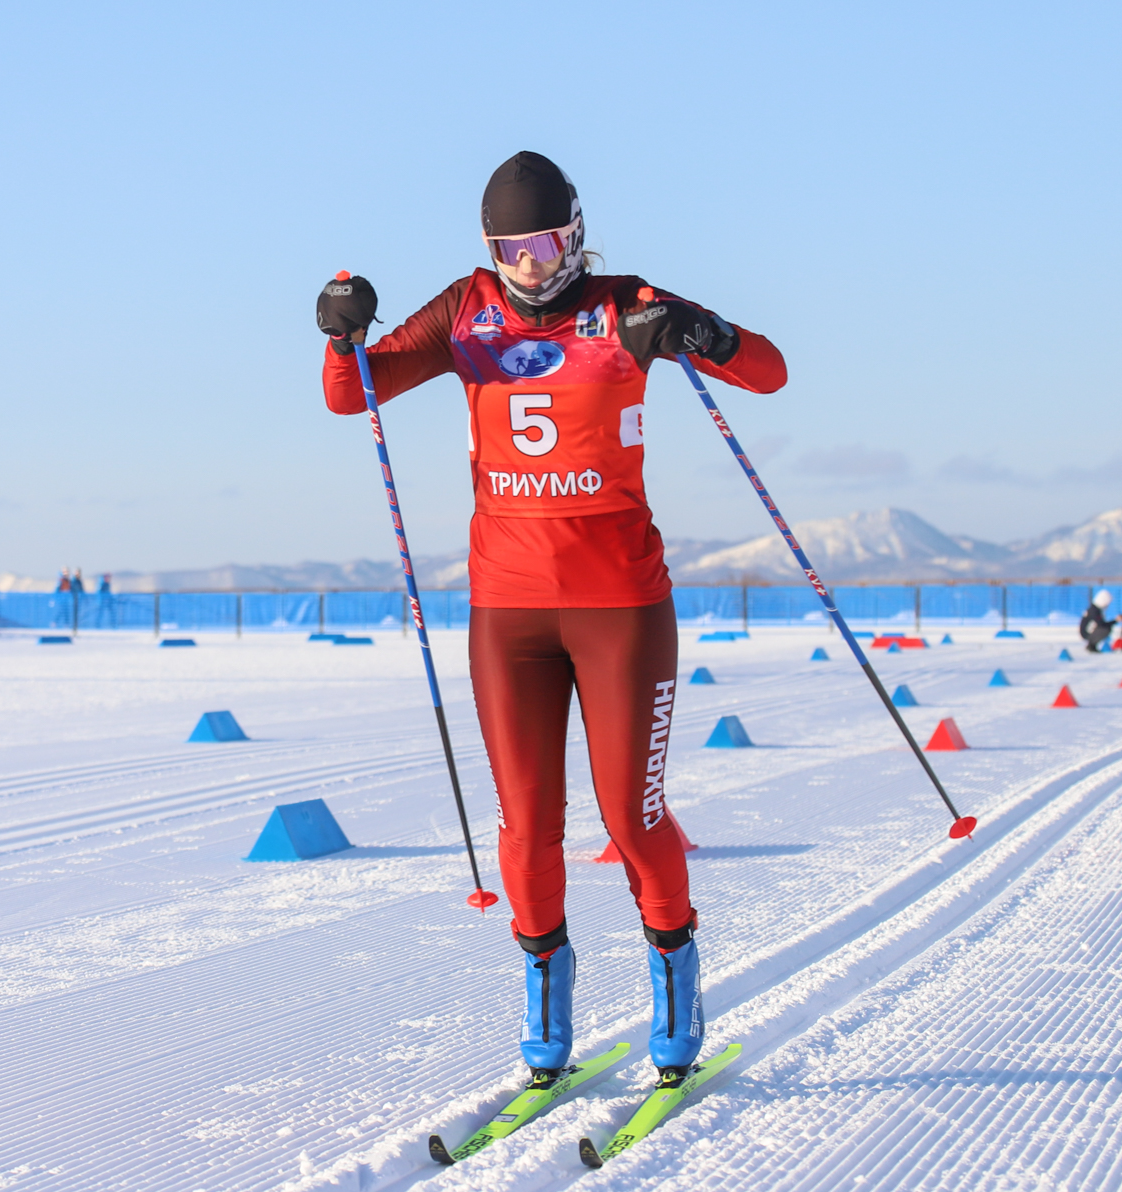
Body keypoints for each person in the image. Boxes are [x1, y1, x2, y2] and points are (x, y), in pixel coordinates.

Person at [317, 152, 786, 1089]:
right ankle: (544, 986)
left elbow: (768, 373)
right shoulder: (464, 308)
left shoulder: (624, 303)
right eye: (510, 248)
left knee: (632, 814)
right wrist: (342, 334)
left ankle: (675, 975)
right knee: (526, 826)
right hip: (509, 611)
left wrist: (702, 332)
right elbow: (352, 391)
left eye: (544, 243)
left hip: (621, 608)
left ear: (576, 232)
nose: (530, 264)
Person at [1079, 589, 1122, 654]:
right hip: (1087, 633)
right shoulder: (1095, 611)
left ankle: (1092, 644)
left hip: (1089, 630)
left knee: (1105, 628)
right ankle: (1091, 644)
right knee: (1105, 629)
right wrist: (1115, 620)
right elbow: (1101, 624)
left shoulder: (1094, 608)